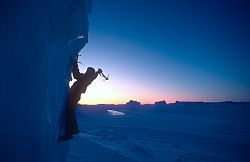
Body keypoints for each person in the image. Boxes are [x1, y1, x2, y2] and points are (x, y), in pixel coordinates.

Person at [58, 59, 102, 141]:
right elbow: (94, 76)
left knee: (69, 111)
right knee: (70, 111)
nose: (86, 72)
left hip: (74, 95)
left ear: (88, 73)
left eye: (87, 71)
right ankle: (74, 130)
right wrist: (98, 72)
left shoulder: (84, 78)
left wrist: (75, 64)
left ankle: (70, 131)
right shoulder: (89, 78)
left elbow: (76, 75)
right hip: (76, 95)